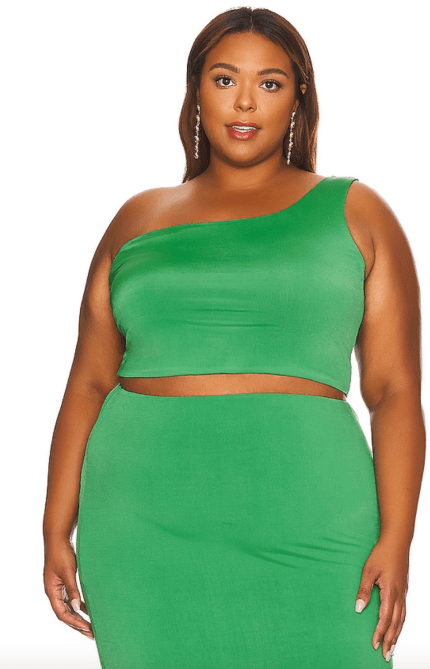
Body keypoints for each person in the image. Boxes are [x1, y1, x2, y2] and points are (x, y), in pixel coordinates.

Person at [42, 7, 425, 668]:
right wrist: (55, 525)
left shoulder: (357, 212)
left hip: (313, 515)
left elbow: (394, 392)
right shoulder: (137, 218)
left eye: (270, 83)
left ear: (299, 97)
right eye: (225, 79)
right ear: (196, 91)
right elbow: (89, 381)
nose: (245, 101)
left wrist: (399, 537)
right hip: (141, 523)